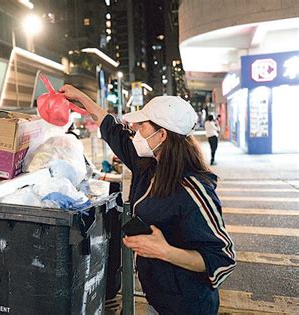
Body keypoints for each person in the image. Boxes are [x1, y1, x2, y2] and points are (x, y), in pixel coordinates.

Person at [59, 85, 236, 315]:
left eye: (142, 125)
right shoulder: (148, 165)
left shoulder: (192, 189)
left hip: (187, 306)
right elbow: (112, 129)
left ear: (162, 134)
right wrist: (82, 97)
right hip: (157, 298)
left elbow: (222, 259)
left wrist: (165, 251)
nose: (135, 129)